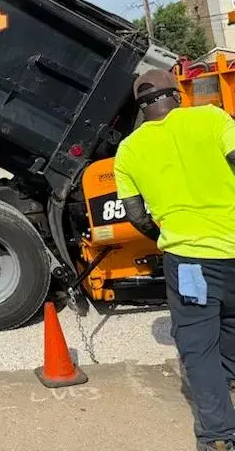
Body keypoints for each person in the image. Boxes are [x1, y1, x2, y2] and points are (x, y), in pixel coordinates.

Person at [114, 68, 235, 451]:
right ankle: (228, 376)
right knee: (232, 322)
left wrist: (166, 237)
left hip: (189, 263)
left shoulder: (128, 150)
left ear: (141, 108)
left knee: (198, 348)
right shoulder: (212, 118)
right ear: (178, 96)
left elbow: (136, 214)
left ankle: (218, 437)